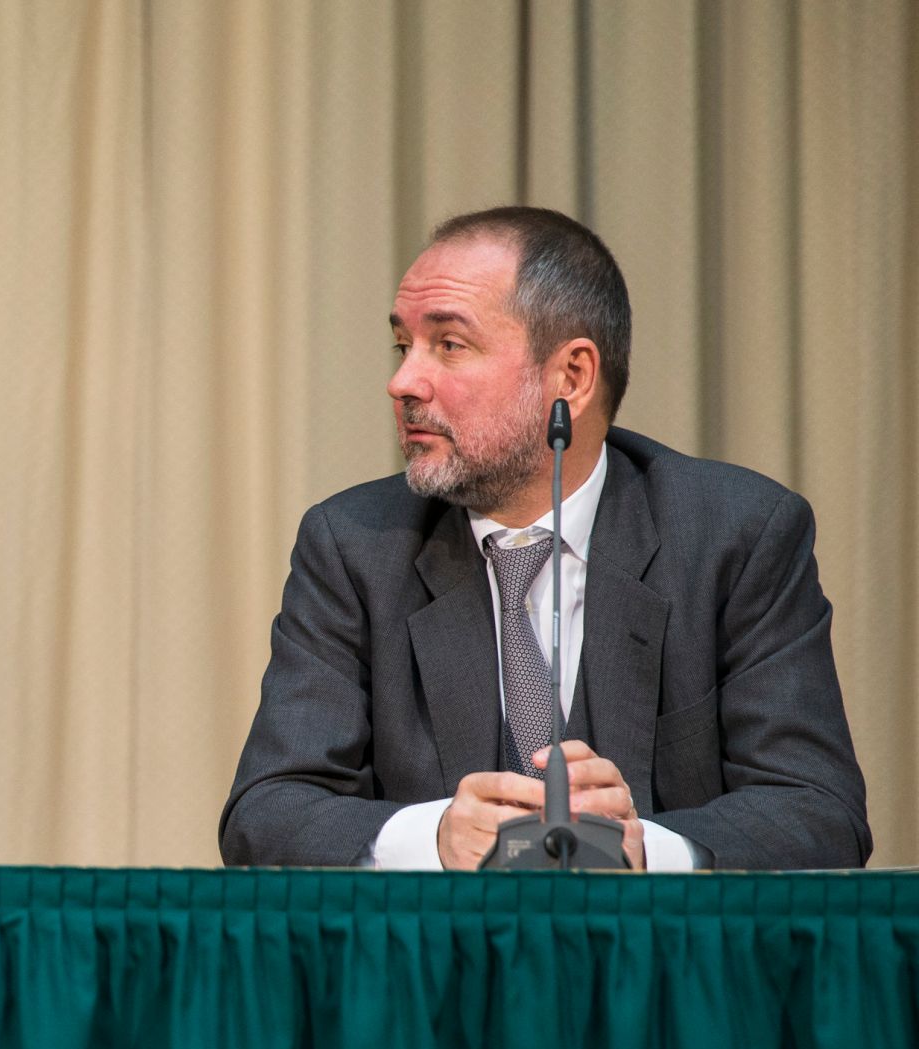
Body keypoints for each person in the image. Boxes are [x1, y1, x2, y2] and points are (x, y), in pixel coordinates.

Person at [220, 207, 869, 871]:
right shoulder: (355, 546)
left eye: (449, 345)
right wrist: (434, 836)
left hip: (662, 967)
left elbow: (817, 812)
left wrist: (647, 848)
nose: (404, 382)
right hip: (435, 967)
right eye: (402, 346)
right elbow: (267, 812)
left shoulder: (736, 538)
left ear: (572, 378)